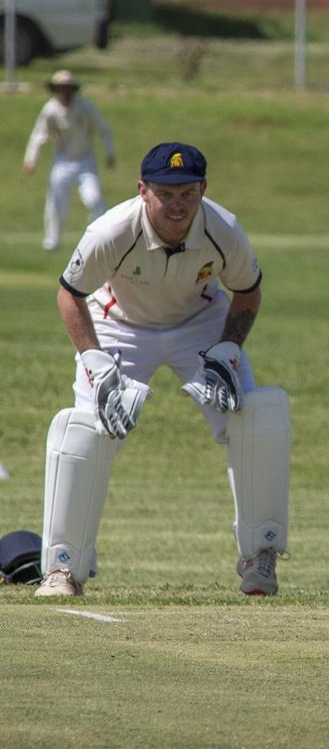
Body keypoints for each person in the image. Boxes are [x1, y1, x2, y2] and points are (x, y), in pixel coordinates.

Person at [34, 142, 291, 599]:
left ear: (202, 190)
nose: (176, 205)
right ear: (143, 191)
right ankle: (63, 569)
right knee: (88, 432)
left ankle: (260, 558)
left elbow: (248, 291)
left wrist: (228, 348)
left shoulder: (224, 229)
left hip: (202, 324)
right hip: (119, 326)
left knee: (251, 417)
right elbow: (70, 293)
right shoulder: (111, 230)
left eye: (187, 194)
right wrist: (93, 358)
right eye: (165, 193)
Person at [23, 70, 116, 252]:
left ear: (73, 89)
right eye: (60, 88)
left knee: (94, 199)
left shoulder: (85, 107)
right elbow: (39, 135)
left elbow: (104, 128)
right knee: (56, 202)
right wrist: (30, 159)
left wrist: (109, 153)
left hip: (85, 161)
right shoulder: (50, 110)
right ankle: (52, 240)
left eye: (67, 88)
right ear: (55, 89)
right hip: (62, 162)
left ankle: (103, 237)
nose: (65, 92)